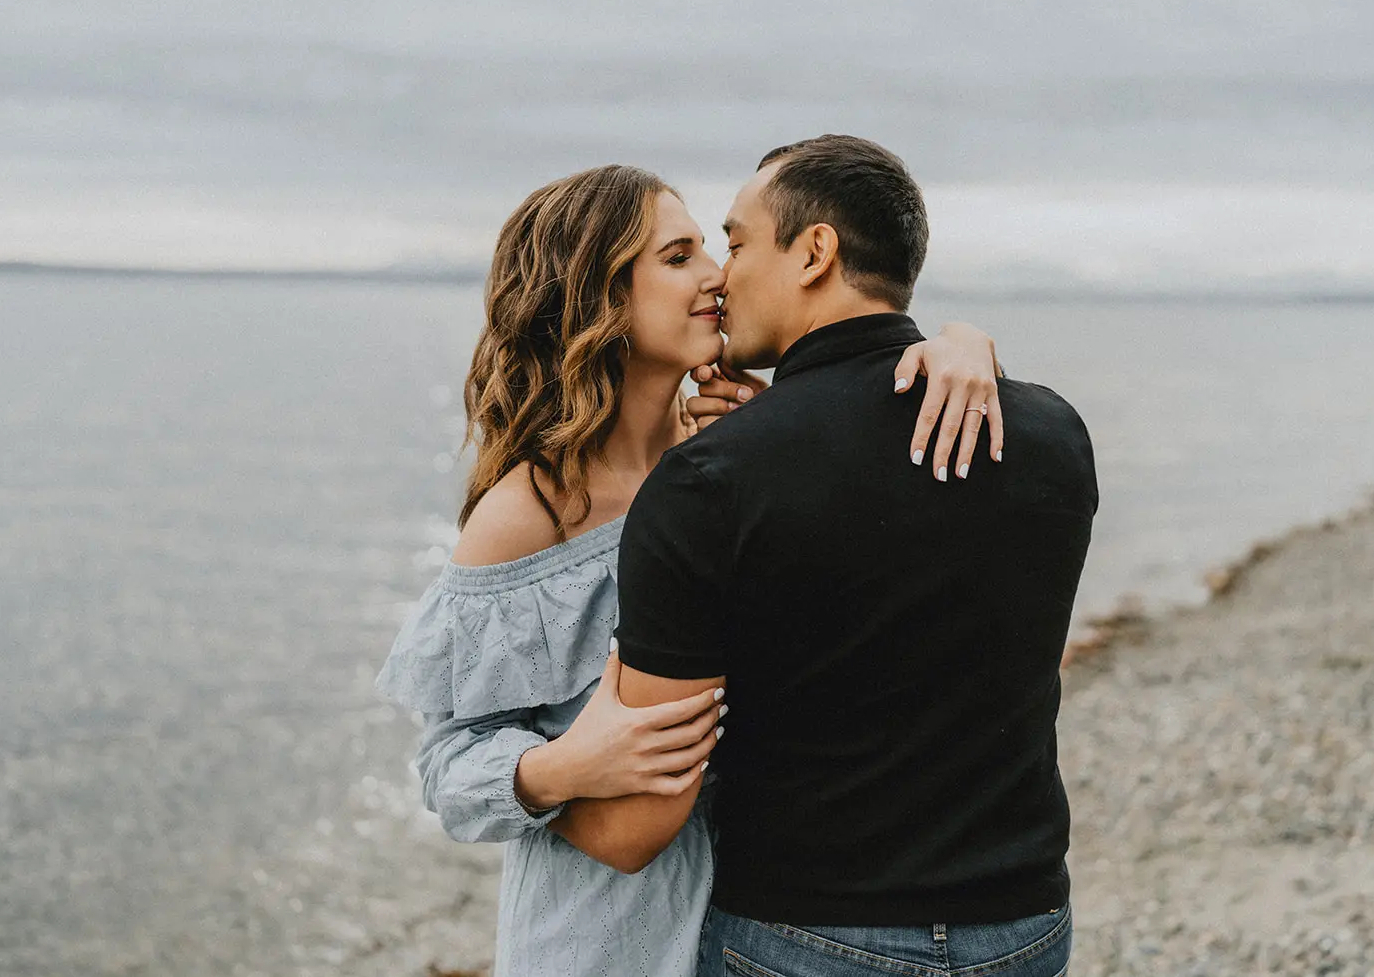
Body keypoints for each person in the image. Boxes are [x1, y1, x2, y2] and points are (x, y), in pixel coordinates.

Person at [374, 162, 1008, 977]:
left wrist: (960, 344)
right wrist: (562, 767)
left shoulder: (732, 461)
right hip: (603, 940)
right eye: (678, 257)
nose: (716, 274)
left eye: (711, 248)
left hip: (771, 925)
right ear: (598, 297)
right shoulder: (530, 508)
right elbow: (446, 760)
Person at [586, 136, 1099, 977]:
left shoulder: (712, 480)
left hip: (803, 934)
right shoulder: (1054, 434)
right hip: (1021, 925)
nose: (721, 276)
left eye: (737, 243)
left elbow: (640, 819)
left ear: (815, 251)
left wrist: (518, 784)